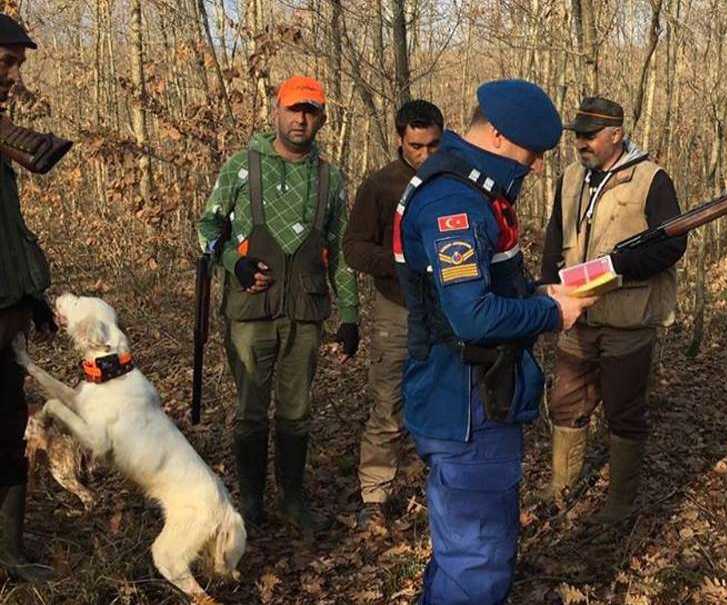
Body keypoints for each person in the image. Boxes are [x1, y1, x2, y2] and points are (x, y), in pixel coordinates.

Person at [395, 79, 595, 604]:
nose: (536, 167)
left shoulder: (473, 190)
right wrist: (551, 313)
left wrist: (539, 293)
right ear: (499, 136)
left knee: (461, 557)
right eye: (532, 154)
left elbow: (480, 290)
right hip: (466, 403)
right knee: (476, 562)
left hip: (475, 396)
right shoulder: (454, 200)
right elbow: (472, 317)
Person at [196, 75, 359, 537]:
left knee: (297, 412)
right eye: (293, 109)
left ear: (322, 119)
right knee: (250, 410)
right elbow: (207, 229)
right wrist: (235, 262)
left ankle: (292, 499)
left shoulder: (330, 178)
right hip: (250, 311)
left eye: (310, 111)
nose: (301, 119)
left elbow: (340, 251)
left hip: (305, 313)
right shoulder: (241, 167)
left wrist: (350, 315)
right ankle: (251, 501)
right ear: (277, 111)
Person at [540, 96, 687, 523]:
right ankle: (562, 493)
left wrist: (618, 266)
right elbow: (555, 237)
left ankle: (620, 506)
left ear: (616, 135)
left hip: (627, 319)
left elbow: (672, 245)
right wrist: (548, 286)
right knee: (566, 405)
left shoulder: (651, 179)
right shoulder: (571, 178)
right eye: (578, 135)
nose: (580, 143)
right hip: (576, 317)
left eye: (590, 136)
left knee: (624, 413)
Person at [344, 99, 443, 531]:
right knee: (388, 405)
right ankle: (375, 496)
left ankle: (443, 487)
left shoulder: (454, 178)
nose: (425, 154)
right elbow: (353, 248)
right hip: (396, 308)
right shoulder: (381, 186)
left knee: (443, 398)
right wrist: (400, 263)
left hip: (447, 309)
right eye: (417, 146)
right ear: (400, 140)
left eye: (433, 145)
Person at [0, 12, 57, 582]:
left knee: (9, 432)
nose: (14, 77)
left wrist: (31, 294)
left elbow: (9, 233)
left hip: (7, 315)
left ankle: (11, 552)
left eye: (17, 65)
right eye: (6, 63)